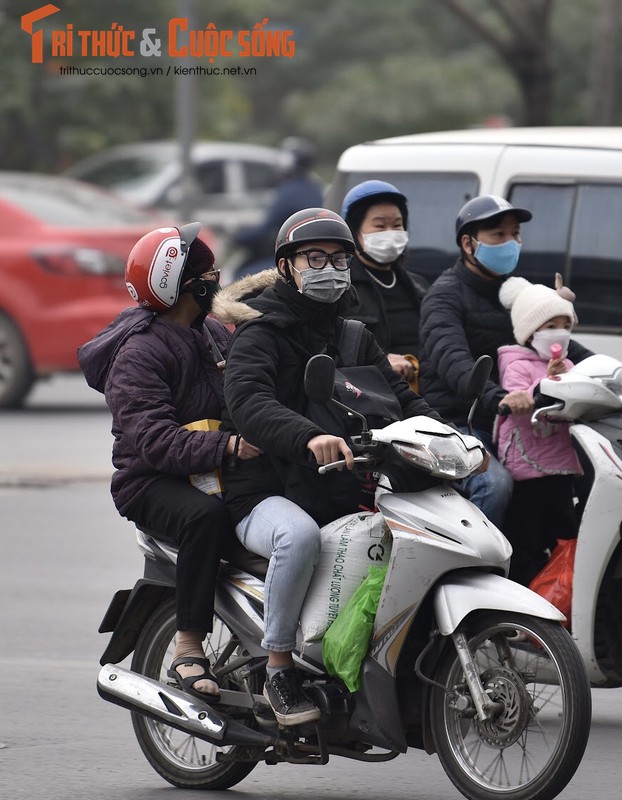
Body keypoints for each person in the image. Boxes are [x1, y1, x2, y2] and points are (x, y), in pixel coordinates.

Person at [213, 208, 445, 727]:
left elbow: (400, 401)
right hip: (266, 492)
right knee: (297, 538)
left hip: (339, 485)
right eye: (314, 258)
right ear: (286, 267)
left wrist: (448, 439)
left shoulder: (354, 335)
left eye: (339, 259)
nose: (331, 268)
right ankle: (278, 670)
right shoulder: (260, 333)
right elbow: (249, 403)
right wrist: (308, 436)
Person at [77, 223, 262, 701]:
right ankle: (188, 647)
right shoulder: (138, 352)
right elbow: (155, 441)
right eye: (208, 272)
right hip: (152, 481)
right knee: (206, 518)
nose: (218, 278)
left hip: (215, 467)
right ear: (184, 285)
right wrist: (230, 446)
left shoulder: (214, 334)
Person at [418, 194, 593, 528]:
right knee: (494, 485)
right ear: (468, 244)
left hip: (517, 419)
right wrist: (497, 397)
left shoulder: (518, 293)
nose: (511, 243)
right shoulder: (444, 296)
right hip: (461, 421)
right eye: (498, 235)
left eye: (515, 234)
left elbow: (557, 341)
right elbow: (453, 361)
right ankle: (477, 574)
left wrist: (618, 374)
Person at [495, 277, 583, 585]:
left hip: (560, 469)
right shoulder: (516, 364)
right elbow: (517, 401)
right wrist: (543, 382)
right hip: (527, 471)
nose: (560, 332)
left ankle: (560, 600)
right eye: (550, 325)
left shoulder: (570, 364)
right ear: (530, 332)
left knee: (565, 538)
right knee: (527, 544)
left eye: (566, 325)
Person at [339, 180, 430, 390]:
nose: (390, 232)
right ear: (353, 232)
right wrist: (381, 360)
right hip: (375, 396)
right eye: (380, 226)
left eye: (397, 225)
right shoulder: (341, 287)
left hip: (425, 397)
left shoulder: (418, 285)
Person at [232, 136, 324, 279]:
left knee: (241, 277)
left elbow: (265, 229)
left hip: (294, 255)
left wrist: (238, 237)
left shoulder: (289, 192)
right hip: (314, 255)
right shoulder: (314, 188)